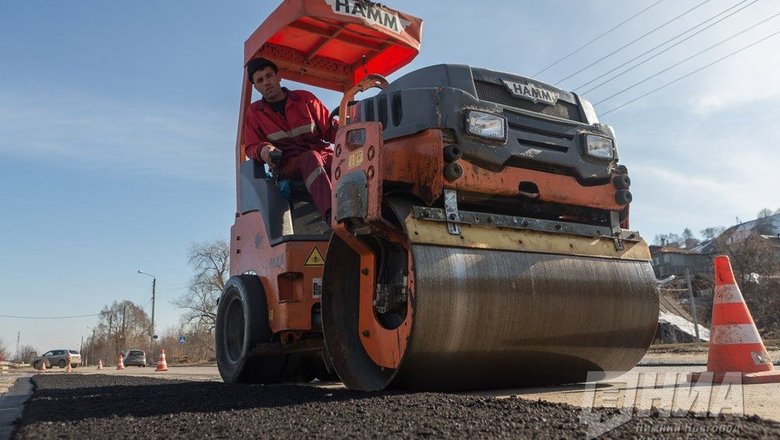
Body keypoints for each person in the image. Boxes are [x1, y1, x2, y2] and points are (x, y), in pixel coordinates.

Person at [243, 57, 337, 219]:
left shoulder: (305, 99)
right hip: (289, 165)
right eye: (260, 80)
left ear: (278, 77)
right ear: (256, 87)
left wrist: (352, 130)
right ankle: (333, 216)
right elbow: (251, 146)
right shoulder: (254, 113)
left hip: (324, 157)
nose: (266, 82)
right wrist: (265, 150)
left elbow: (330, 129)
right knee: (311, 157)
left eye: (269, 76)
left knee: (351, 160)